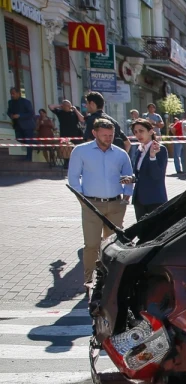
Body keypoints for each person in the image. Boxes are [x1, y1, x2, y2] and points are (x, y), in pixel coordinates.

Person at [67, 118, 134, 287]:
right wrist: (81, 198)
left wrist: (127, 195)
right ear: (94, 133)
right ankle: (89, 279)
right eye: (104, 135)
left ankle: (110, 279)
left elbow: (129, 175)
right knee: (91, 244)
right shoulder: (81, 151)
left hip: (116, 205)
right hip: (91, 204)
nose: (108, 138)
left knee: (114, 244)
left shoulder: (120, 153)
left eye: (111, 135)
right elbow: (73, 177)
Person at [128, 118, 168, 221]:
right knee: (142, 234)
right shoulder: (139, 149)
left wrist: (152, 157)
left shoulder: (160, 149)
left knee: (155, 233)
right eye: (135, 132)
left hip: (154, 199)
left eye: (141, 131)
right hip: (139, 200)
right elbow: (137, 173)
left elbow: (157, 175)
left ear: (150, 131)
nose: (138, 135)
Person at [52, 100, 84, 168]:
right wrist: (60, 106)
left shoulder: (74, 113)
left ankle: (77, 164)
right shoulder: (60, 112)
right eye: (66, 105)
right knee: (66, 151)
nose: (68, 107)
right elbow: (50, 106)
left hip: (75, 135)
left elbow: (82, 119)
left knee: (76, 150)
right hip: (65, 135)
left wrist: (75, 109)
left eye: (69, 105)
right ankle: (66, 164)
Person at [7, 87, 36, 161]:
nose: (12, 95)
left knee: (28, 141)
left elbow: (31, 113)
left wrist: (20, 115)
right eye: (11, 94)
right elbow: (9, 111)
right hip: (17, 126)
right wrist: (11, 115)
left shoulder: (26, 102)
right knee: (19, 139)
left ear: (18, 93)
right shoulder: (10, 102)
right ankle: (36, 142)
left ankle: (29, 157)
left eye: (14, 93)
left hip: (27, 125)